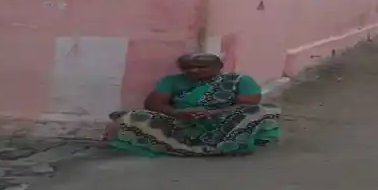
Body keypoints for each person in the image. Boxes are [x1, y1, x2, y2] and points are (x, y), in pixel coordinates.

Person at [103, 53, 281, 156]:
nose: (193, 70)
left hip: (224, 120)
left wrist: (212, 113)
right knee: (131, 117)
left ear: (218, 67)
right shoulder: (172, 81)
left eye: (200, 67)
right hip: (181, 122)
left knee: (256, 111)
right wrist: (177, 112)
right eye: (187, 67)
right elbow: (153, 103)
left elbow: (248, 104)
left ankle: (227, 144)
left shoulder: (240, 80)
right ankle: (188, 146)